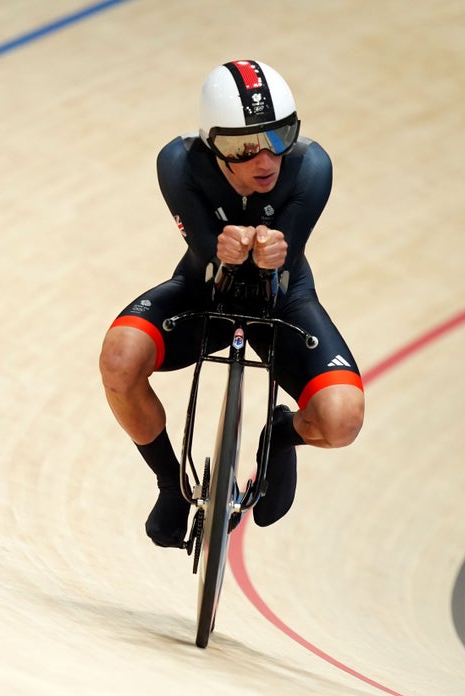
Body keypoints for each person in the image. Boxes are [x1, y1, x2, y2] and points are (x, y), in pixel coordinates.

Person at [99, 59, 364, 548]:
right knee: (119, 360)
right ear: (211, 145)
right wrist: (220, 248)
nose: (265, 161)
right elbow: (205, 249)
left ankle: (281, 435)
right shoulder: (178, 163)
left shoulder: (312, 167)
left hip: (282, 303)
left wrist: (273, 254)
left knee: (342, 420)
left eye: (279, 138)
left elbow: (289, 253)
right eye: (243, 147)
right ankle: (170, 484)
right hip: (203, 291)